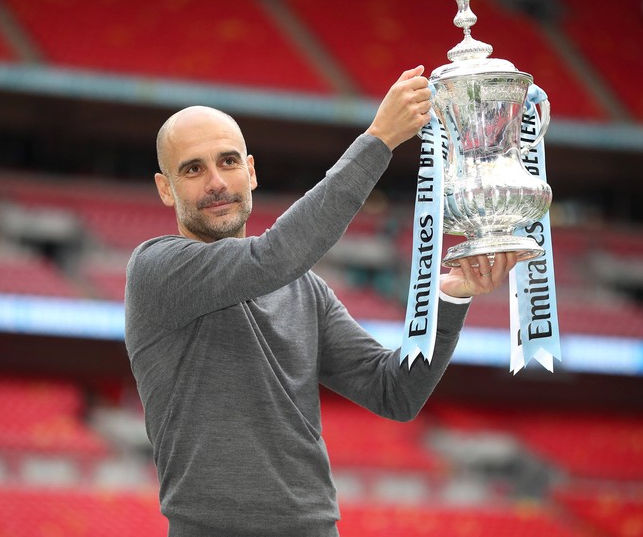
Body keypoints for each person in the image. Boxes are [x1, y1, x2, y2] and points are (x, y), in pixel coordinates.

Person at [125, 66, 517, 537]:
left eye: (228, 162)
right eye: (193, 169)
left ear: (250, 172)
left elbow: (394, 392)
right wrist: (379, 141)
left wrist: (448, 300)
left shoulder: (304, 290)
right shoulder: (155, 268)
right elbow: (271, 258)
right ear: (165, 188)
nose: (215, 181)